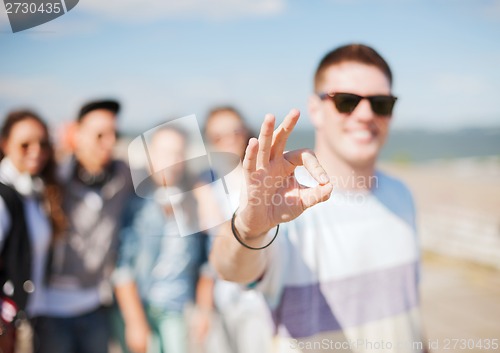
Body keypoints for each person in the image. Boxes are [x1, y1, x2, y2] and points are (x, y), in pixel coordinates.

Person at [210, 44, 424, 353]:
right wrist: (249, 228)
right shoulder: (286, 202)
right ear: (315, 110)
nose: (365, 115)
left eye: (380, 103)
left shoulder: (402, 195)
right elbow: (232, 270)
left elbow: (411, 310)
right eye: (347, 101)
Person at [39, 99, 134, 353]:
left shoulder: (124, 176)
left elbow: (165, 177)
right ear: (77, 134)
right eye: (100, 134)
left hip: (95, 306)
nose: (110, 142)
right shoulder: (51, 179)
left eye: (114, 134)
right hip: (50, 309)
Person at [113, 125, 209, 353]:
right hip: (142, 305)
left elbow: (206, 258)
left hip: (176, 306)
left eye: (178, 153)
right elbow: (122, 266)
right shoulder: (136, 202)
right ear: (150, 156)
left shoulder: (194, 199)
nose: (172, 160)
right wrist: (135, 322)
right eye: (164, 153)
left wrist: (203, 309)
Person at [201, 106, 273, 353]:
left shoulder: (262, 176)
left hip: (258, 297)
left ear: (246, 133)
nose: (229, 140)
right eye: (219, 136)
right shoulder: (206, 183)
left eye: (235, 132)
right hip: (220, 295)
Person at [0, 110, 66, 352]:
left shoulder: (35, 190)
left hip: (33, 314)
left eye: (43, 144)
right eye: (25, 144)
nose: (36, 151)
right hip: (9, 322)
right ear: (5, 144)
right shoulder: (4, 196)